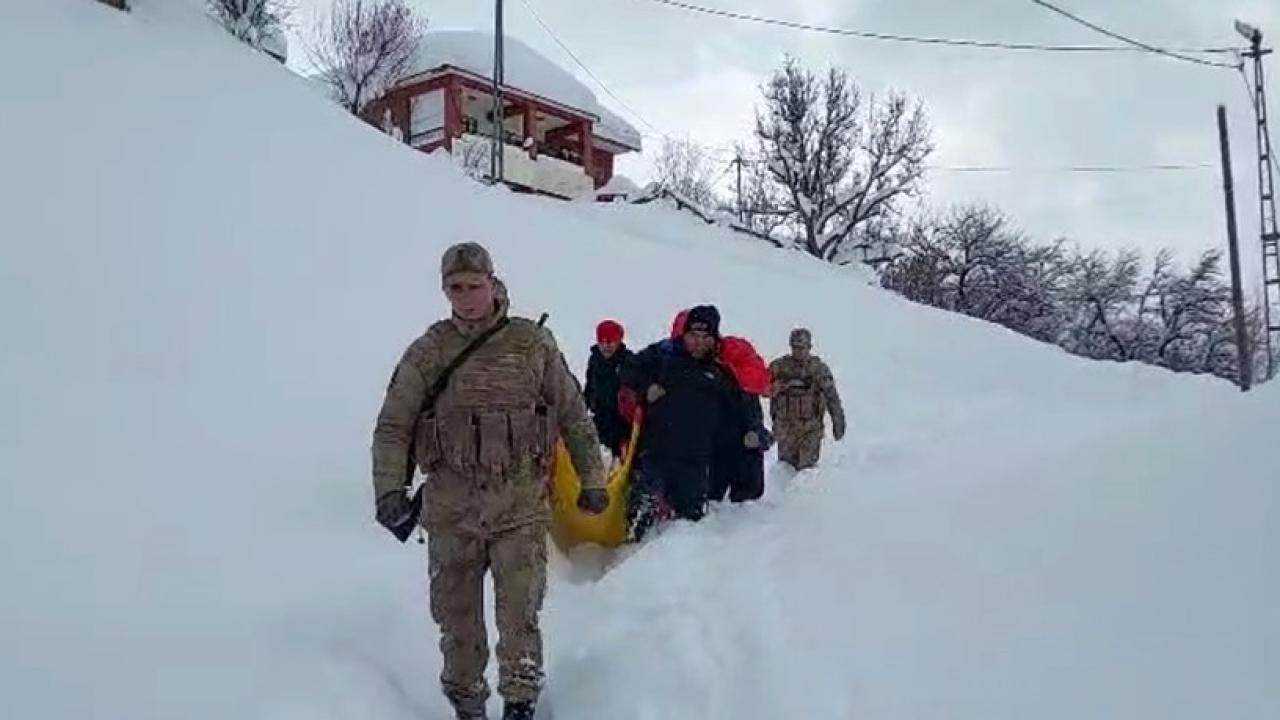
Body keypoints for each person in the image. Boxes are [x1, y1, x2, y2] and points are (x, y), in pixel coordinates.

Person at [370, 242, 608, 720]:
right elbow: (394, 425)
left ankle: (520, 704)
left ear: (492, 283)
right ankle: (467, 706)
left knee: (518, 614)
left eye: (473, 286)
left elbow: (572, 413)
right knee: (457, 621)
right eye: (454, 288)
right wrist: (389, 492)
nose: (464, 297)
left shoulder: (531, 343)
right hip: (451, 507)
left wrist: (593, 478)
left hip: (519, 503)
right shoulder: (429, 351)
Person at [620, 305, 748, 540]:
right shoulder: (662, 356)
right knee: (637, 522)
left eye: (705, 337)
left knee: (689, 529)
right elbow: (628, 369)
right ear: (684, 334)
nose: (698, 343)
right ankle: (627, 567)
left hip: (695, 463)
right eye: (693, 336)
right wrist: (645, 389)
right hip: (655, 454)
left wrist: (754, 433)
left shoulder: (720, 373)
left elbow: (741, 412)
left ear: (714, 339)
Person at [768, 328, 846, 471]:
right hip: (786, 430)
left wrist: (838, 422)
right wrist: (776, 387)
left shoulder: (818, 369)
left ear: (809, 347)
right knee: (785, 471)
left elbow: (832, 397)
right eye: (795, 347)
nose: (798, 352)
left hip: (810, 430)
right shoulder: (779, 367)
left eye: (802, 348)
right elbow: (762, 388)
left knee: (806, 473)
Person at [710, 335, 773, 503]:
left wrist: (758, 437)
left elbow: (757, 427)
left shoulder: (742, 387)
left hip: (732, 460)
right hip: (718, 459)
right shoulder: (735, 380)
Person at [583, 319, 635, 459]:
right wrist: (583, 407)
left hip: (621, 421)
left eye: (610, 342)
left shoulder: (628, 361)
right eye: (602, 342)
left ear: (618, 341)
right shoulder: (595, 360)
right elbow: (589, 386)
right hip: (600, 416)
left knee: (620, 455)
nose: (606, 346)